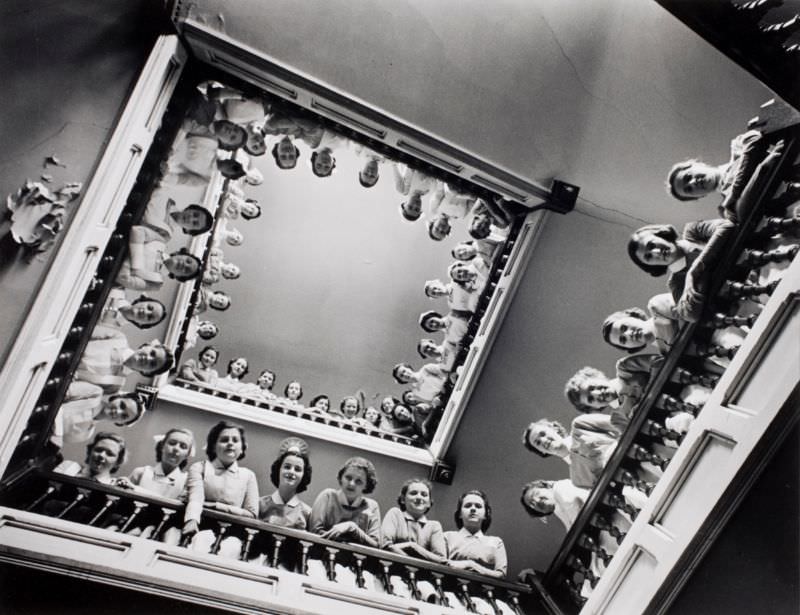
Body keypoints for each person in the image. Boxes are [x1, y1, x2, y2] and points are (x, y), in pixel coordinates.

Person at [181, 421, 258, 556]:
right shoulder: (200, 467)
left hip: (232, 535)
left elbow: (252, 514)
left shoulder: (248, 475)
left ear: (242, 448)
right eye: (224, 440)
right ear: (213, 446)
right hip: (200, 526)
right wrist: (192, 520)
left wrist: (216, 506)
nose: (230, 443)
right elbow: (195, 498)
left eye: (235, 440)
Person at [522, 414, 619, 489]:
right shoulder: (577, 480)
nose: (543, 441)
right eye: (538, 443)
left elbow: (622, 421)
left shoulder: (581, 425)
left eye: (543, 434)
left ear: (554, 428)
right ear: (541, 452)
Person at [308, 456, 381, 547]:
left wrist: (352, 528)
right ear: (341, 478)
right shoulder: (327, 496)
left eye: (358, 481)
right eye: (348, 477)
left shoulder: (372, 506)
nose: (351, 484)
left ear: (366, 485)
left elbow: (375, 545)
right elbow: (314, 532)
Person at [74, 330, 173, 396]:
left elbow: (80, 390)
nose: (148, 358)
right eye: (152, 353)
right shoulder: (118, 338)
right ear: (146, 346)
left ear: (147, 373)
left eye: (153, 364)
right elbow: (82, 331)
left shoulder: (115, 386)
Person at [50, 381, 145, 447]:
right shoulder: (95, 393)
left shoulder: (86, 433)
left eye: (124, 416)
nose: (118, 411)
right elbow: (58, 392)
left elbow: (56, 439)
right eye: (122, 405)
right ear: (118, 397)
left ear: (121, 423)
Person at [117, 227, 202, 291]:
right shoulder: (161, 242)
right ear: (181, 254)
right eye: (188, 261)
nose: (184, 265)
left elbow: (122, 278)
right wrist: (136, 265)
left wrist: (135, 246)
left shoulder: (156, 283)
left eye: (187, 270)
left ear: (179, 277)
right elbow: (137, 231)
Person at [444, 490, 506, 579]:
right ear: (460, 514)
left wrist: (471, 565)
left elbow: (501, 574)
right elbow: (439, 563)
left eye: (478, 506)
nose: (473, 509)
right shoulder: (447, 537)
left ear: (485, 514)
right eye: (468, 505)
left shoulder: (496, 542)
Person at [258, 437, 312, 530]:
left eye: (297, 469)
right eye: (287, 467)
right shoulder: (260, 504)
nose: (291, 472)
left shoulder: (307, 513)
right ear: (278, 470)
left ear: (304, 476)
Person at [99, 287, 167, 330]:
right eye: (149, 307)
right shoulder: (118, 290)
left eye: (149, 317)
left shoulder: (112, 329)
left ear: (142, 324)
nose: (146, 312)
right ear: (142, 300)